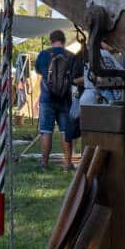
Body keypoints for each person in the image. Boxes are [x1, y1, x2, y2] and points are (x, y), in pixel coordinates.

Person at [34, 30, 77, 171]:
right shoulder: (71, 56)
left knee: (46, 131)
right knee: (65, 131)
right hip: (65, 99)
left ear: (51, 40)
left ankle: (44, 164)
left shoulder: (43, 55)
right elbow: (74, 77)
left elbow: (39, 72)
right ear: (64, 40)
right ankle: (67, 163)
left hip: (47, 98)